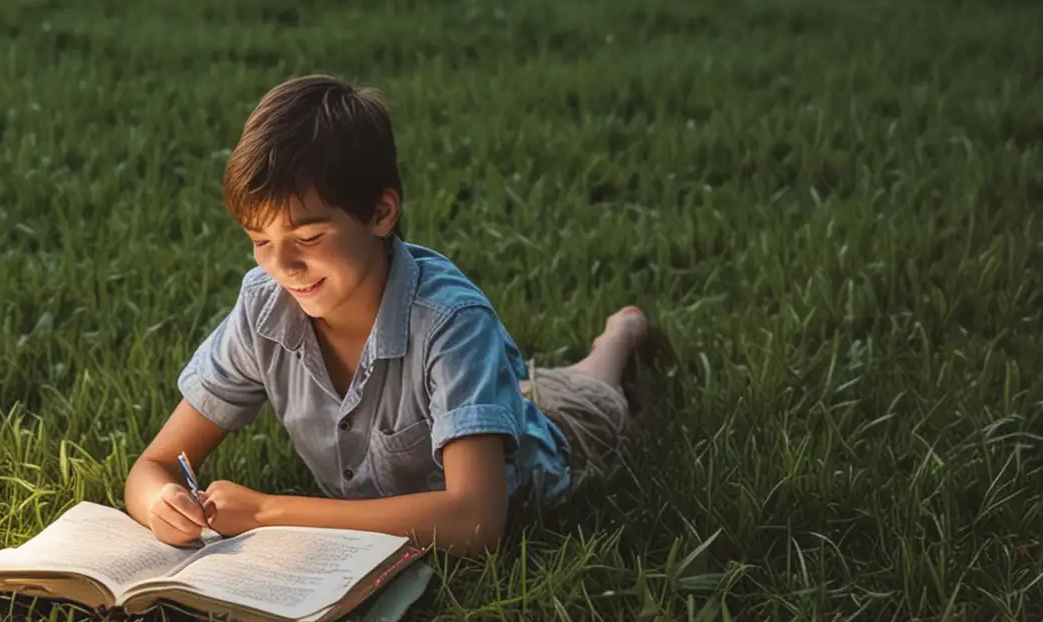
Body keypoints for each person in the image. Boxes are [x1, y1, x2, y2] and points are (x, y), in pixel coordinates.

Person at [123, 75, 673, 556]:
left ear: (381, 213)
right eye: (260, 241)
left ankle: (621, 332)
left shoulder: (450, 321)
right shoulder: (265, 306)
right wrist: (162, 503)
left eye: (309, 236)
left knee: (591, 395)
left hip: (552, 445)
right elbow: (153, 468)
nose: (284, 265)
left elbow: (476, 521)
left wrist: (270, 512)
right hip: (472, 409)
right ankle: (530, 380)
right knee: (524, 385)